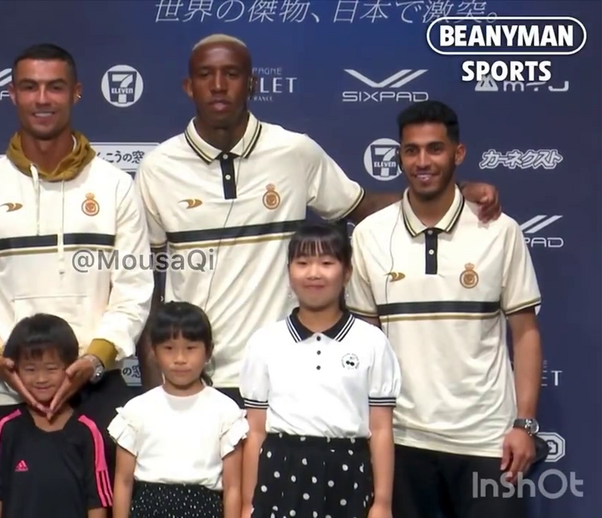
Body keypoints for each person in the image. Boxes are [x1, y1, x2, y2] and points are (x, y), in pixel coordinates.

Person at [132, 33, 501, 405]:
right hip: (194, 378)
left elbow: (363, 206)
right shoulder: (157, 169)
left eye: (231, 74)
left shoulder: (294, 152)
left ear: (252, 84)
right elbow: (148, 289)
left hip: (285, 373)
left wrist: (451, 192)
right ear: (188, 86)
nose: (217, 85)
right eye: (205, 75)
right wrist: (153, 395)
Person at [0, 43, 153, 518]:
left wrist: (91, 360)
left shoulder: (115, 186)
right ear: (12, 94)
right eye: (30, 86)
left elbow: (135, 292)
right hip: (1, 393)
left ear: (76, 93)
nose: (43, 98)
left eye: (55, 86)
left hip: (96, 392)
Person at [346, 100, 543, 518]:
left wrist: (524, 424)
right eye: (411, 150)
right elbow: (364, 345)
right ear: (398, 155)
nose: (422, 161)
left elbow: (525, 333)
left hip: (487, 441)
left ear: (458, 153)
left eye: (435, 149)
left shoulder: (500, 231)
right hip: (401, 441)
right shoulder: (369, 236)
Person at [239, 221, 401, 518]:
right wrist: (248, 505)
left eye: (326, 263)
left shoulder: (371, 342)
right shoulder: (265, 342)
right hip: (281, 475)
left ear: (346, 271)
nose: (314, 273)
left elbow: (380, 429)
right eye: (302, 263)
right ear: (289, 271)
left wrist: (382, 503)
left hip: (348, 475)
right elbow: (256, 432)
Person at [109, 301, 247, 518]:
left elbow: (233, 488)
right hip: (148, 507)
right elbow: (123, 483)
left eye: (190, 349)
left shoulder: (225, 410)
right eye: (169, 349)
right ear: (154, 352)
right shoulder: (136, 410)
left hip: (205, 508)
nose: (180, 359)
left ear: (208, 351)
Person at [0, 313, 112, 518]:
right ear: (15, 370)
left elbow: (97, 502)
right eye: (30, 369)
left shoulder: (87, 431)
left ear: (70, 368)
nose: (41, 379)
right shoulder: (8, 428)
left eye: (51, 369)